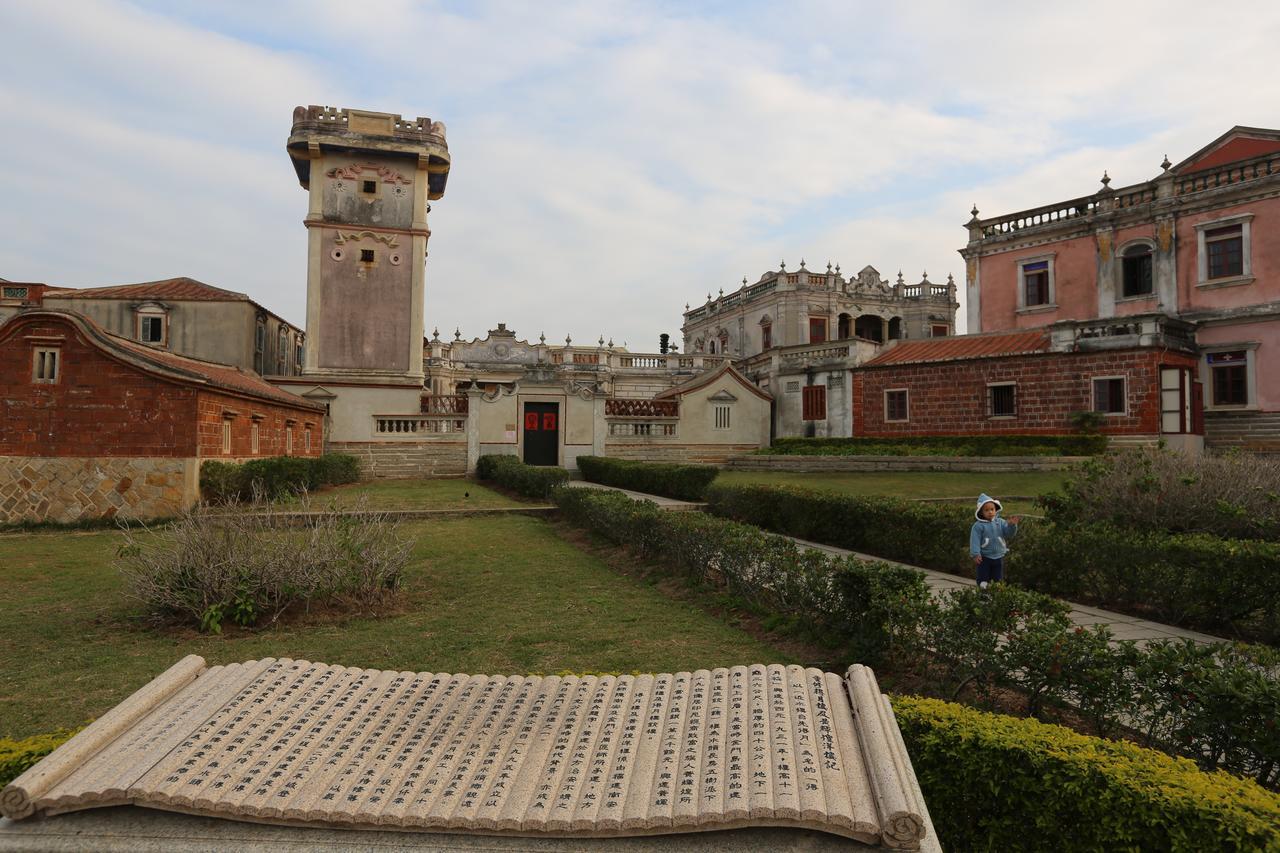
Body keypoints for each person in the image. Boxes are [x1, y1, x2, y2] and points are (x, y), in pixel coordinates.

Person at [969, 493, 1021, 590]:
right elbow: (974, 540)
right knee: (983, 579)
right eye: (987, 510)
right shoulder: (978, 526)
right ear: (981, 512)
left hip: (998, 556)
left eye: (992, 509)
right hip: (984, 558)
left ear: (995, 510)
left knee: (997, 579)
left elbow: (1009, 534)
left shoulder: (1000, 522)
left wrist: (1012, 526)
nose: (990, 512)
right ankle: (983, 596)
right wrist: (975, 554)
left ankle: (995, 597)